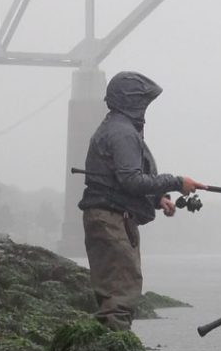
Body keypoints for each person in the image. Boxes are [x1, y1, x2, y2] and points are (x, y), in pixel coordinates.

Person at [78, 71, 203, 331]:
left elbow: (119, 178)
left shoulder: (115, 126)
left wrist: (159, 198)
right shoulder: (122, 132)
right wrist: (177, 182)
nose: (146, 107)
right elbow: (131, 181)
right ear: (131, 101)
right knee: (121, 293)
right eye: (143, 101)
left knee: (112, 292)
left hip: (105, 216)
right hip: (112, 220)